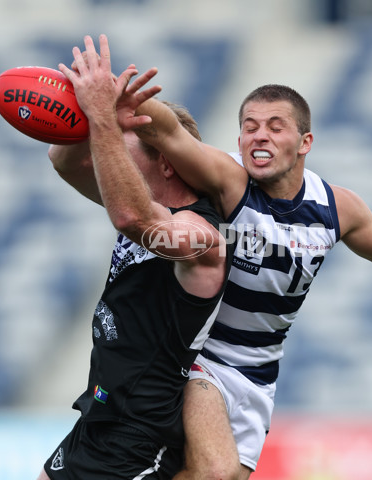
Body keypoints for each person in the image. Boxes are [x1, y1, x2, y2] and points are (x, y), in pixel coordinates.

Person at [52, 36, 372, 479]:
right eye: (249, 126)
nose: (259, 136)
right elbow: (170, 131)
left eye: (274, 126)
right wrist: (116, 97)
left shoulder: (336, 208)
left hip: (260, 369)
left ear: (305, 142)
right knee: (216, 471)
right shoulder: (227, 179)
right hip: (202, 356)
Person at [37, 34, 232, 479]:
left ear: (166, 163)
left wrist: (106, 119)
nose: (107, 157)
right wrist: (89, 115)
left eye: (124, 144)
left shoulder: (202, 236)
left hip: (140, 437)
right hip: (99, 415)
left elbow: (130, 218)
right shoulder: (143, 202)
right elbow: (63, 162)